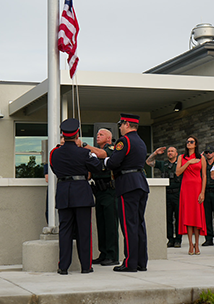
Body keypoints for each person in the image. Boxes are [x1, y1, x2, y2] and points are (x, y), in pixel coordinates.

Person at [49, 119, 102, 275]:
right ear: (77, 134)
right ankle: (86, 266)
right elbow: (98, 167)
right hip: (81, 192)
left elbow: (54, 169)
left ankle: (63, 267)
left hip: (64, 192)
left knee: (65, 231)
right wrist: (89, 154)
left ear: (63, 136)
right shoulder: (84, 153)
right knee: (84, 231)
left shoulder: (54, 153)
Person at [105, 113, 149, 272]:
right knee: (139, 224)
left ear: (127, 124)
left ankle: (130, 262)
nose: (120, 127)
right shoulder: (141, 142)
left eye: (121, 124)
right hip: (140, 183)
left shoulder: (124, 141)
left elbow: (113, 162)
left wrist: (105, 161)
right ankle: (141, 262)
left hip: (127, 185)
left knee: (129, 225)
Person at [84, 128, 119, 266]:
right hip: (98, 191)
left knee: (110, 225)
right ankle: (103, 253)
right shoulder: (94, 153)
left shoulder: (112, 149)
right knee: (101, 224)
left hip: (110, 191)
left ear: (109, 138)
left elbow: (103, 154)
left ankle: (112, 255)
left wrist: (85, 146)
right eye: (97, 134)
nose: (98, 136)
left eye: (101, 135)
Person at [175, 136, 207, 255]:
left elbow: (204, 176)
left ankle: (197, 244)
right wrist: (188, 162)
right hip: (186, 189)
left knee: (196, 216)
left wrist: (202, 192)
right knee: (188, 217)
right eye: (187, 141)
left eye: (191, 142)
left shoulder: (201, 158)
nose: (189, 143)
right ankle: (190, 244)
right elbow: (178, 172)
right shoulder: (181, 157)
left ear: (196, 144)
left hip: (197, 188)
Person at [146, 146, 182, 248]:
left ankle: (178, 240)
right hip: (166, 194)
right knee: (168, 218)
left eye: (172, 151)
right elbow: (148, 162)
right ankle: (170, 239)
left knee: (179, 218)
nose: (170, 153)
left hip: (178, 194)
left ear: (176, 153)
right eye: (169, 151)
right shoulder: (163, 164)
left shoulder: (180, 164)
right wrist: (155, 153)